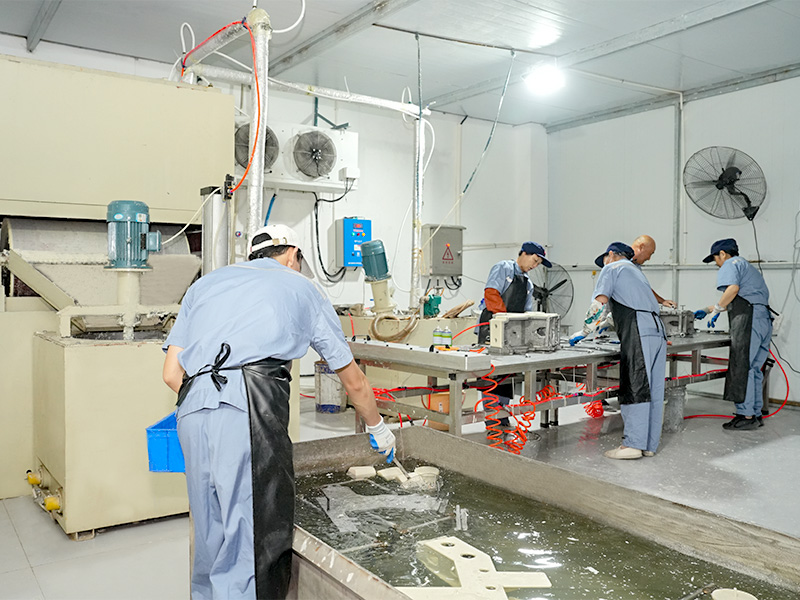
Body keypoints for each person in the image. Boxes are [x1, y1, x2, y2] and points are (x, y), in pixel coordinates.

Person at [161, 224, 394, 600]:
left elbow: (171, 374)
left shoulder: (204, 285)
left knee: (209, 537)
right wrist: (377, 427)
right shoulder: (301, 287)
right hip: (249, 406)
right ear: (292, 255)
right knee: (251, 545)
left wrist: (212, 404)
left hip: (191, 409)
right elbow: (353, 381)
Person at [570, 242, 667, 459]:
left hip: (638, 331)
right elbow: (633, 305)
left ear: (611, 255)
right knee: (653, 389)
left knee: (636, 383)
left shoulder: (612, 268)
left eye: (604, 260)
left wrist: (584, 331)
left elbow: (599, 303)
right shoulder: (637, 273)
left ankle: (632, 445)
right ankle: (649, 445)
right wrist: (606, 323)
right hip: (657, 332)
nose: (603, 265)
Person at [694, 238, 772, 431]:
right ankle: (755, 413)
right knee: (754, 369)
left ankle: (746, 415)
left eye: (715, 259)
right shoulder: (748, 267)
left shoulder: (730, 263)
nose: (716, 264)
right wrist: (709, 309)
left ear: (723, 254)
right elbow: (740, 296)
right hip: (763, 319)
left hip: (749, 320)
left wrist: (717, 309)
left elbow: (733, 289)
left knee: (742, 366)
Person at [477, 242, 551, 428]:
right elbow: (491, 294)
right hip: (492, 328)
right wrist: (504, 320)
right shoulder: (504, 268)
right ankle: (492, 415)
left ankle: (502, 413)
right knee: (492, 373)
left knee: (507, 374)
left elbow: (526, 312)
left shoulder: (528, 284)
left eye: (538, 264)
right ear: (524, 253)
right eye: (535, 260)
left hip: (512, 333)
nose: (535, 265)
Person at [630, 235, 677, 308]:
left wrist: (662, 301)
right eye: (650, 253)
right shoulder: (621, 263)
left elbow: (643, 287)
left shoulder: (636, 265)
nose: (649, 258)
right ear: (641, 247)